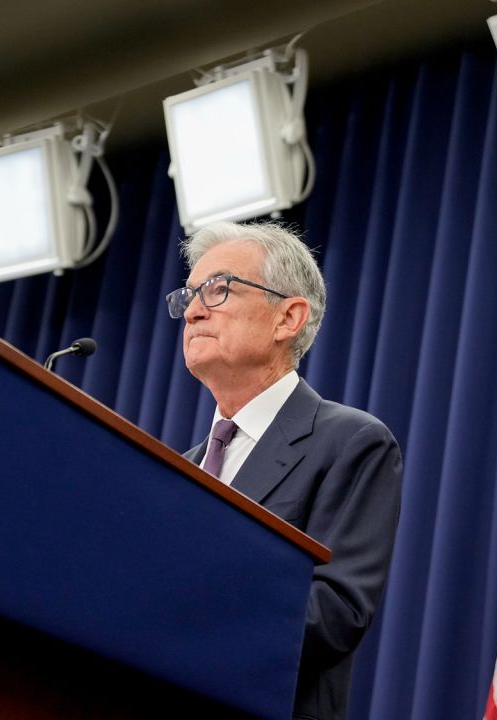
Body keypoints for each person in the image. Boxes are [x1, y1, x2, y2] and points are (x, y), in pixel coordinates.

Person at [165, 220, 403, 720]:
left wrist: (175, 615)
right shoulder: (179, 470)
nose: (192, 310)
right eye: (188, 295)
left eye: (217, 289)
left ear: (288, 317)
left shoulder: (350, 442)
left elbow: (336, 612)